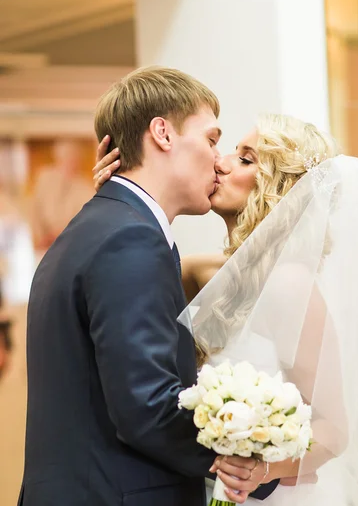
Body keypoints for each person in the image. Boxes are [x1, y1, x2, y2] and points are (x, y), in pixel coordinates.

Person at [94, 113, 358, 506]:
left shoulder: (290, 284)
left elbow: (334, 429)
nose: (221, 162)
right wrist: (116, 197)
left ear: (281, 191)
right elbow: (144, 256)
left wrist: (263, 471)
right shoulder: (217, 275)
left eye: (245, 158)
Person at [19, 68, 285, 506]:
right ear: (162, 133)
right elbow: (146, 405)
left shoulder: (97, 226)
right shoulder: (130, 238)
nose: (218, 158)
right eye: (211, 138)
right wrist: (243, 452)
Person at [31, 139, 93, 252]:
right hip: (44, 246)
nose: (69, 164)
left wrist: (63, 234)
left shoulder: (85, 187)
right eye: (64, 159)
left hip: (70, 245)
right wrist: (40, 237)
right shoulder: (44, 178)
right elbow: (35, 211)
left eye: (73, 159)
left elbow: (87, 221)